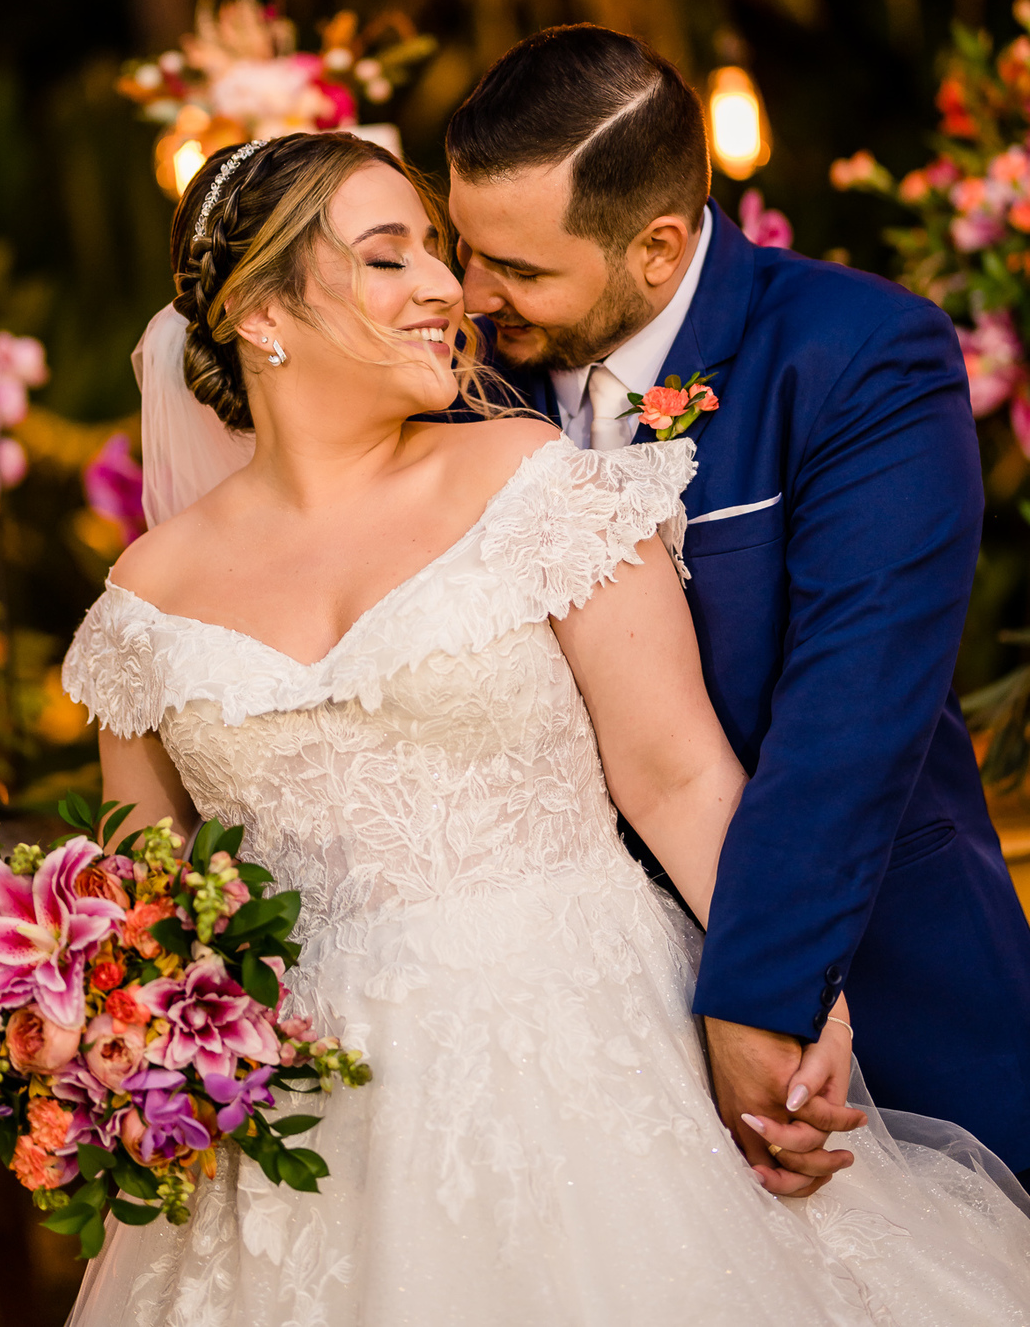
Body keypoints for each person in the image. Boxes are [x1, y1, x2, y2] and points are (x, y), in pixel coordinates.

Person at [62, 130, 1030, 1327]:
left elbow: (675, 775)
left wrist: (796, 1002)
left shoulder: (534, 480)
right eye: (388, 257)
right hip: (305, 1136)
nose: (444, 287)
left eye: (434, 247)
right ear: (263, 309)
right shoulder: (145, 602)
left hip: (595, 1069)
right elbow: (146, 914)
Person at [445, 22, 1030, 1194]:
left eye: (516, 269)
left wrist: (762, 990)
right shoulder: (451, 385)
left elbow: (850, 717)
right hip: (572, 1037)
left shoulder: (861, 357)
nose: (469, 294)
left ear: (659, 248)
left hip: (871, 975)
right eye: (464, 248)